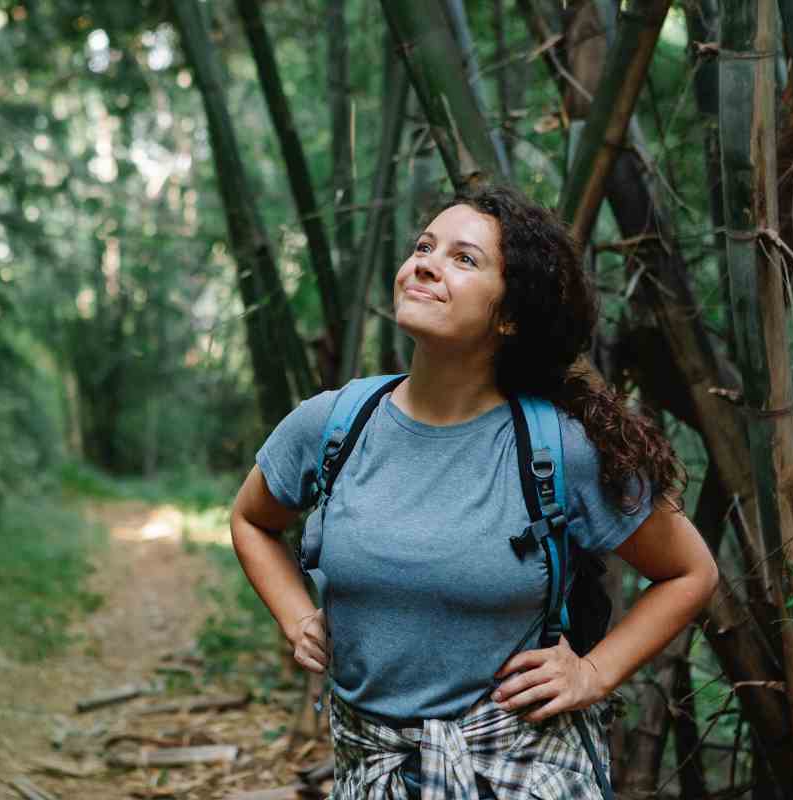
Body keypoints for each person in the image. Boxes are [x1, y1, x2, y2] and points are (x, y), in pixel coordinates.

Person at [229, 184, 719, 799]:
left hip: (518, 771)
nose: (426, 263)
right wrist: (296, 614)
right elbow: (250, 520)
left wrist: (593, 673)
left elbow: (689, 572)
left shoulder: (557, 448)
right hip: (371, 769)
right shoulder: (333, 424)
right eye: (424, 246)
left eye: (464, 259)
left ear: (509, 315)